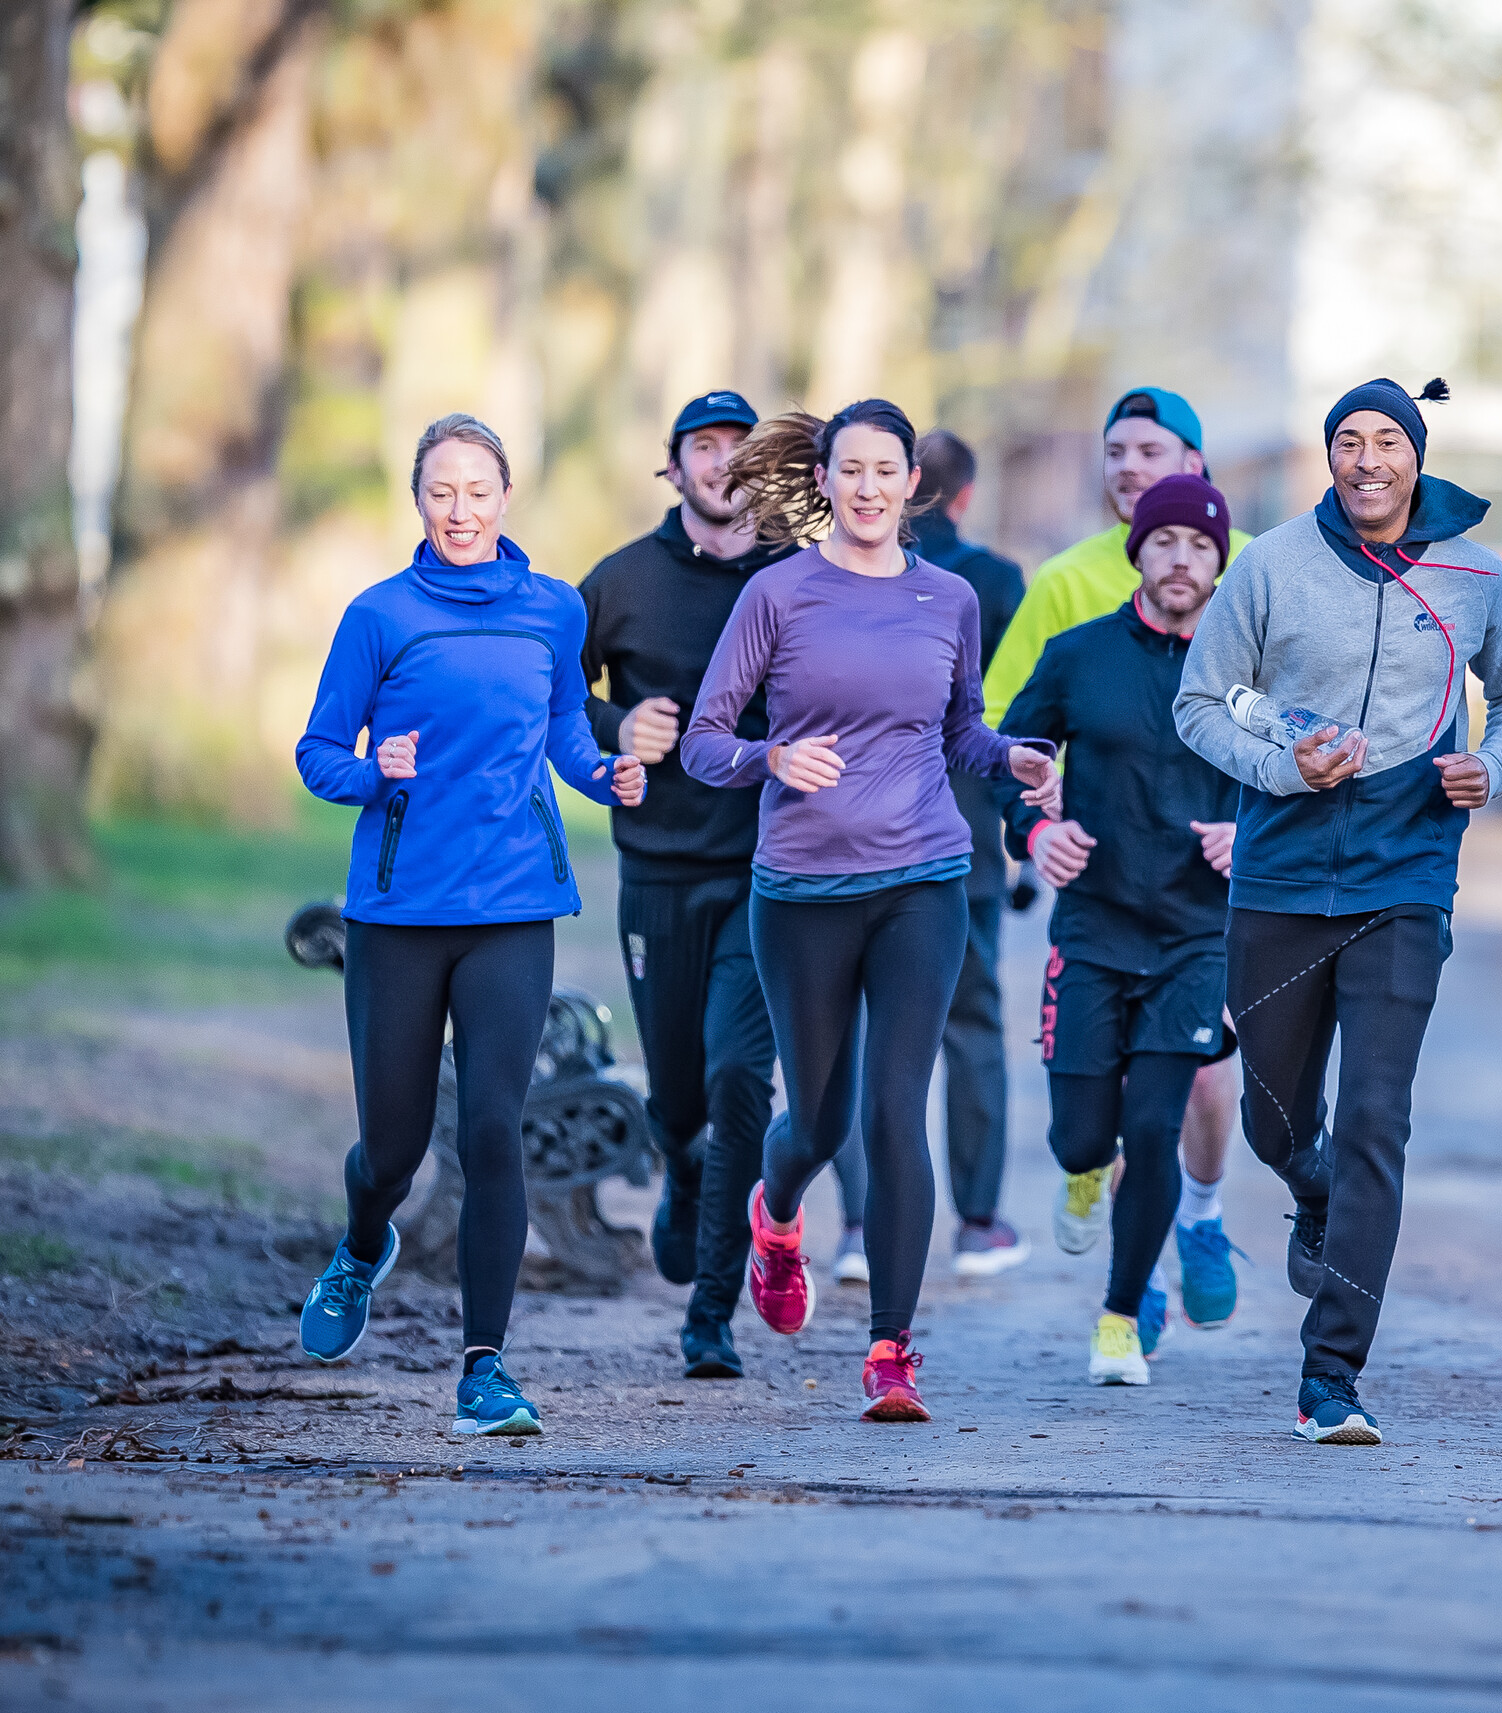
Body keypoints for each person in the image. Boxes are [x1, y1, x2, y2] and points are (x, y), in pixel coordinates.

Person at [1176, 377, 1502, 1443]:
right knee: (1272, 1116)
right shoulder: (1269, 566)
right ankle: (1310, 1184)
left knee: (1378, 1120)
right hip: (1282, 873)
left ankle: (1330, 1374)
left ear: (1416, 456)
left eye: (1387, 440)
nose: (1366, 459)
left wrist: (1494, 759)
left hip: (1406, 871)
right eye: (1347, 440)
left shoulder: (1476, 575)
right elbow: (1198, 705)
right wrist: (1282, 767)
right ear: (1328, 457)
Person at [681, 400, 1057, 1424]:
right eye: (850, 469)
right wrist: (770, 756)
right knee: (817, 1118)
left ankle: (892, 1349)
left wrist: (1012, 760)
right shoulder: (776, 594)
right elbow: (703, 740)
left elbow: (962, 728)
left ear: (911, 485)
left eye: (885, 469)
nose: (868, 486)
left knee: (896, 1110)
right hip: (800, 891)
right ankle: (779, 1209)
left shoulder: (948, 600)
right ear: (828, 477)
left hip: (923, 878)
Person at [294, 413, 647, 1439]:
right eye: (441, 491)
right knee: (393, 1149)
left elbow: (566, 732)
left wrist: (606, 774)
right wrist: (373, 773)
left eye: (477, 491)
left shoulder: (551, 612)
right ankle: (363, 1246)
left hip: (512, 906)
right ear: (418, 499)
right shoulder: (378, 615)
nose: (461, 509)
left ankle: (483, 1369)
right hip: (400, 914)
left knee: (497, 1126)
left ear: (505, 497)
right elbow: (320, 751)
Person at [984, 385, 1257, 1328]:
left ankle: (1189, 1230)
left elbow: (1314, 747)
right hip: (1100, 907)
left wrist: (1256, 836)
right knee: (1097, 1123)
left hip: (1201, 919)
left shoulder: (1259, 597)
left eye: (1150, 449)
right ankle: (1117, 1232)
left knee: (1188, 1090)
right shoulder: (1067, 595)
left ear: (1197, 464)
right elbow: (1000, 735)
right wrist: (1037, 815)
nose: (1130, 467)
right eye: (1115, 451)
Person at [577, 391, 789, 1379]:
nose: (719, 462)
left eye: (737, 447)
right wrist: (618, 730)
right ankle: (678, 1159)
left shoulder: (799, 576)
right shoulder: (620, 582)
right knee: (675, 1089)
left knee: (740, 1073)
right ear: (672, 468)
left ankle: (711, 1312)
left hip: (768, 868)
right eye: (701, 447)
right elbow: (547, 693)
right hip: (657, 869)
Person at [889, 426, 1028, 1283]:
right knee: (972, 1026)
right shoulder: (999, 581)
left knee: (873, 1030)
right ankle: (978, 1220)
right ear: (967, 496)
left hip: (858, 837)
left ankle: (860, 1224)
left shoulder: (850, 572)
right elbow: (1004, 716)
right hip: (967, 837)